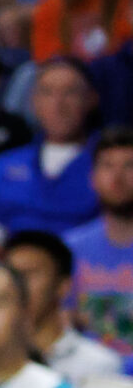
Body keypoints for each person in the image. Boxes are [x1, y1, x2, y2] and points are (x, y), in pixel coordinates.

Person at [0, 58, 100, 236]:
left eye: (70, 92)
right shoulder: (1, 167)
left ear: (91, 99)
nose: (58, 104)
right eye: (48, 93)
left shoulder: (110, 165)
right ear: (34, 102)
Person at [8, 229, 124, 386]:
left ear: (63, 286)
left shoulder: (99, 365)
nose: (19, 285)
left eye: (30, 274)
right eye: (12, 274)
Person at [68, 125, 133, 344]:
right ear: (92, 178)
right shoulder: (70, 248)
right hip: (87, 373)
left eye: (129, 166)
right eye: (107, 166)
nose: (118, 177)